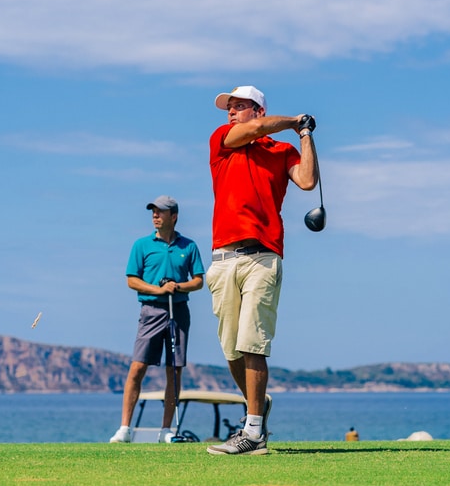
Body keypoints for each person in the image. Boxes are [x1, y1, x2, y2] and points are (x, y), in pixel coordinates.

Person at [205, 85, 319, 456]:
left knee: (253, 342)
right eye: (229, 107)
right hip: (223, 259)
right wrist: (293, 121)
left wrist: (304, 135)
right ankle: (259, 406)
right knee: (231, 350)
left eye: (238, 107)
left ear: (257, 109)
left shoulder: (281, 151)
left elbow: (307, 180)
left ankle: (253, 433)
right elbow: (253, 132)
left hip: (263, 257)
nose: (231, 113)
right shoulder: (223, 139)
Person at [109, 196, 205, 444]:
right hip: (151, 311)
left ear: (173, 217)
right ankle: (125, 429)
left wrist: (178, 287)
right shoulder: (141, 245)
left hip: (179, 311)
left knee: (174, 370)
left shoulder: (189, 246)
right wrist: (158, 289)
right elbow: (132, 280)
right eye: (153, 211)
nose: (155, 216)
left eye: (160, 212)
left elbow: (198, 281)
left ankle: (166, 430)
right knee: (138, 367)